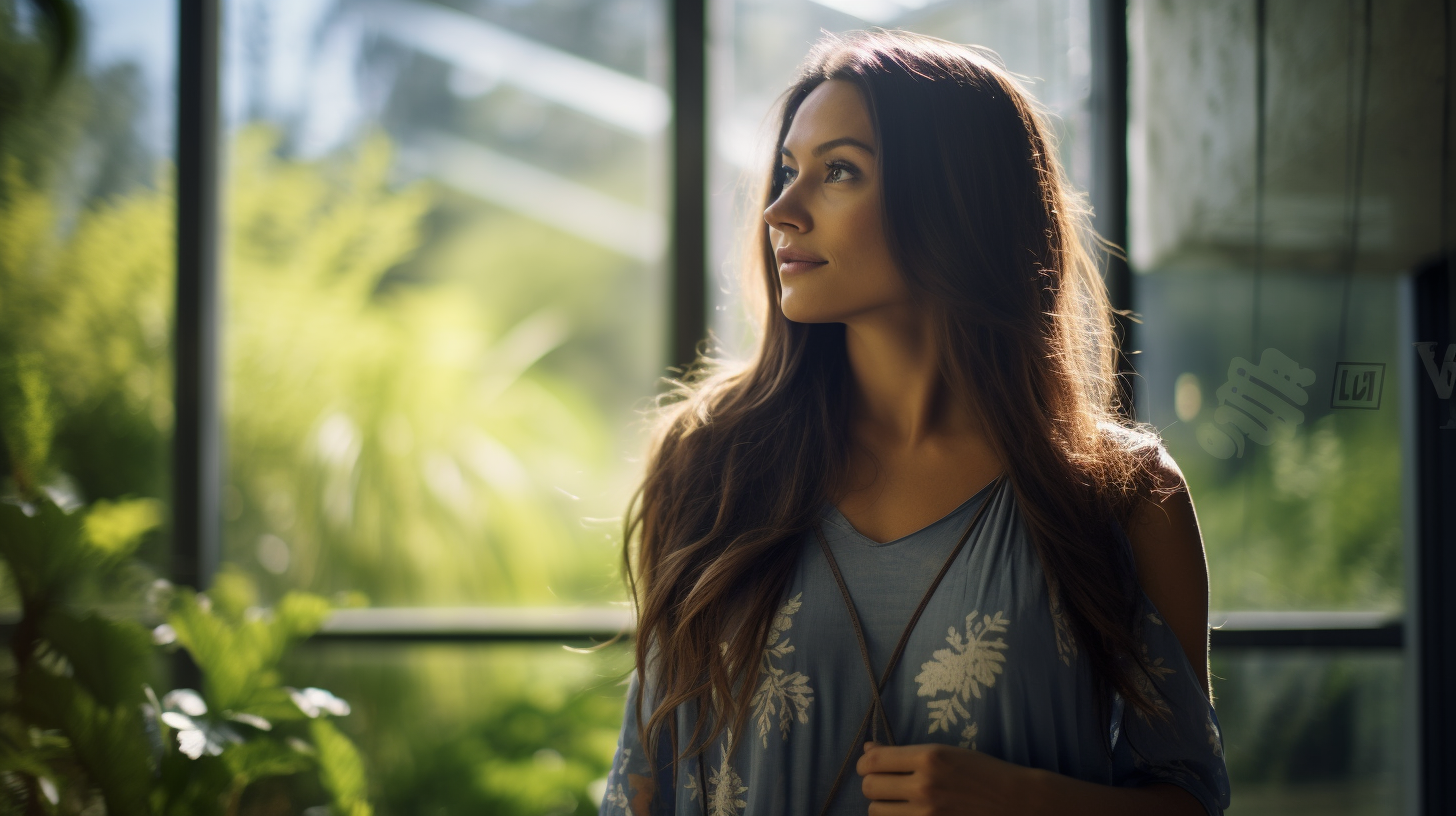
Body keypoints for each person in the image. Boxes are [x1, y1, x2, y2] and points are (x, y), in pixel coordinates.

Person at [600, 29, 1230, 816]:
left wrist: (1026, 802)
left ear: (956, 198)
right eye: (788, 170)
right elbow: (643, 784)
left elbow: (1191, 795)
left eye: (839, 172)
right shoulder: (710, 462)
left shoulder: (1122, 497)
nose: (780, 210)